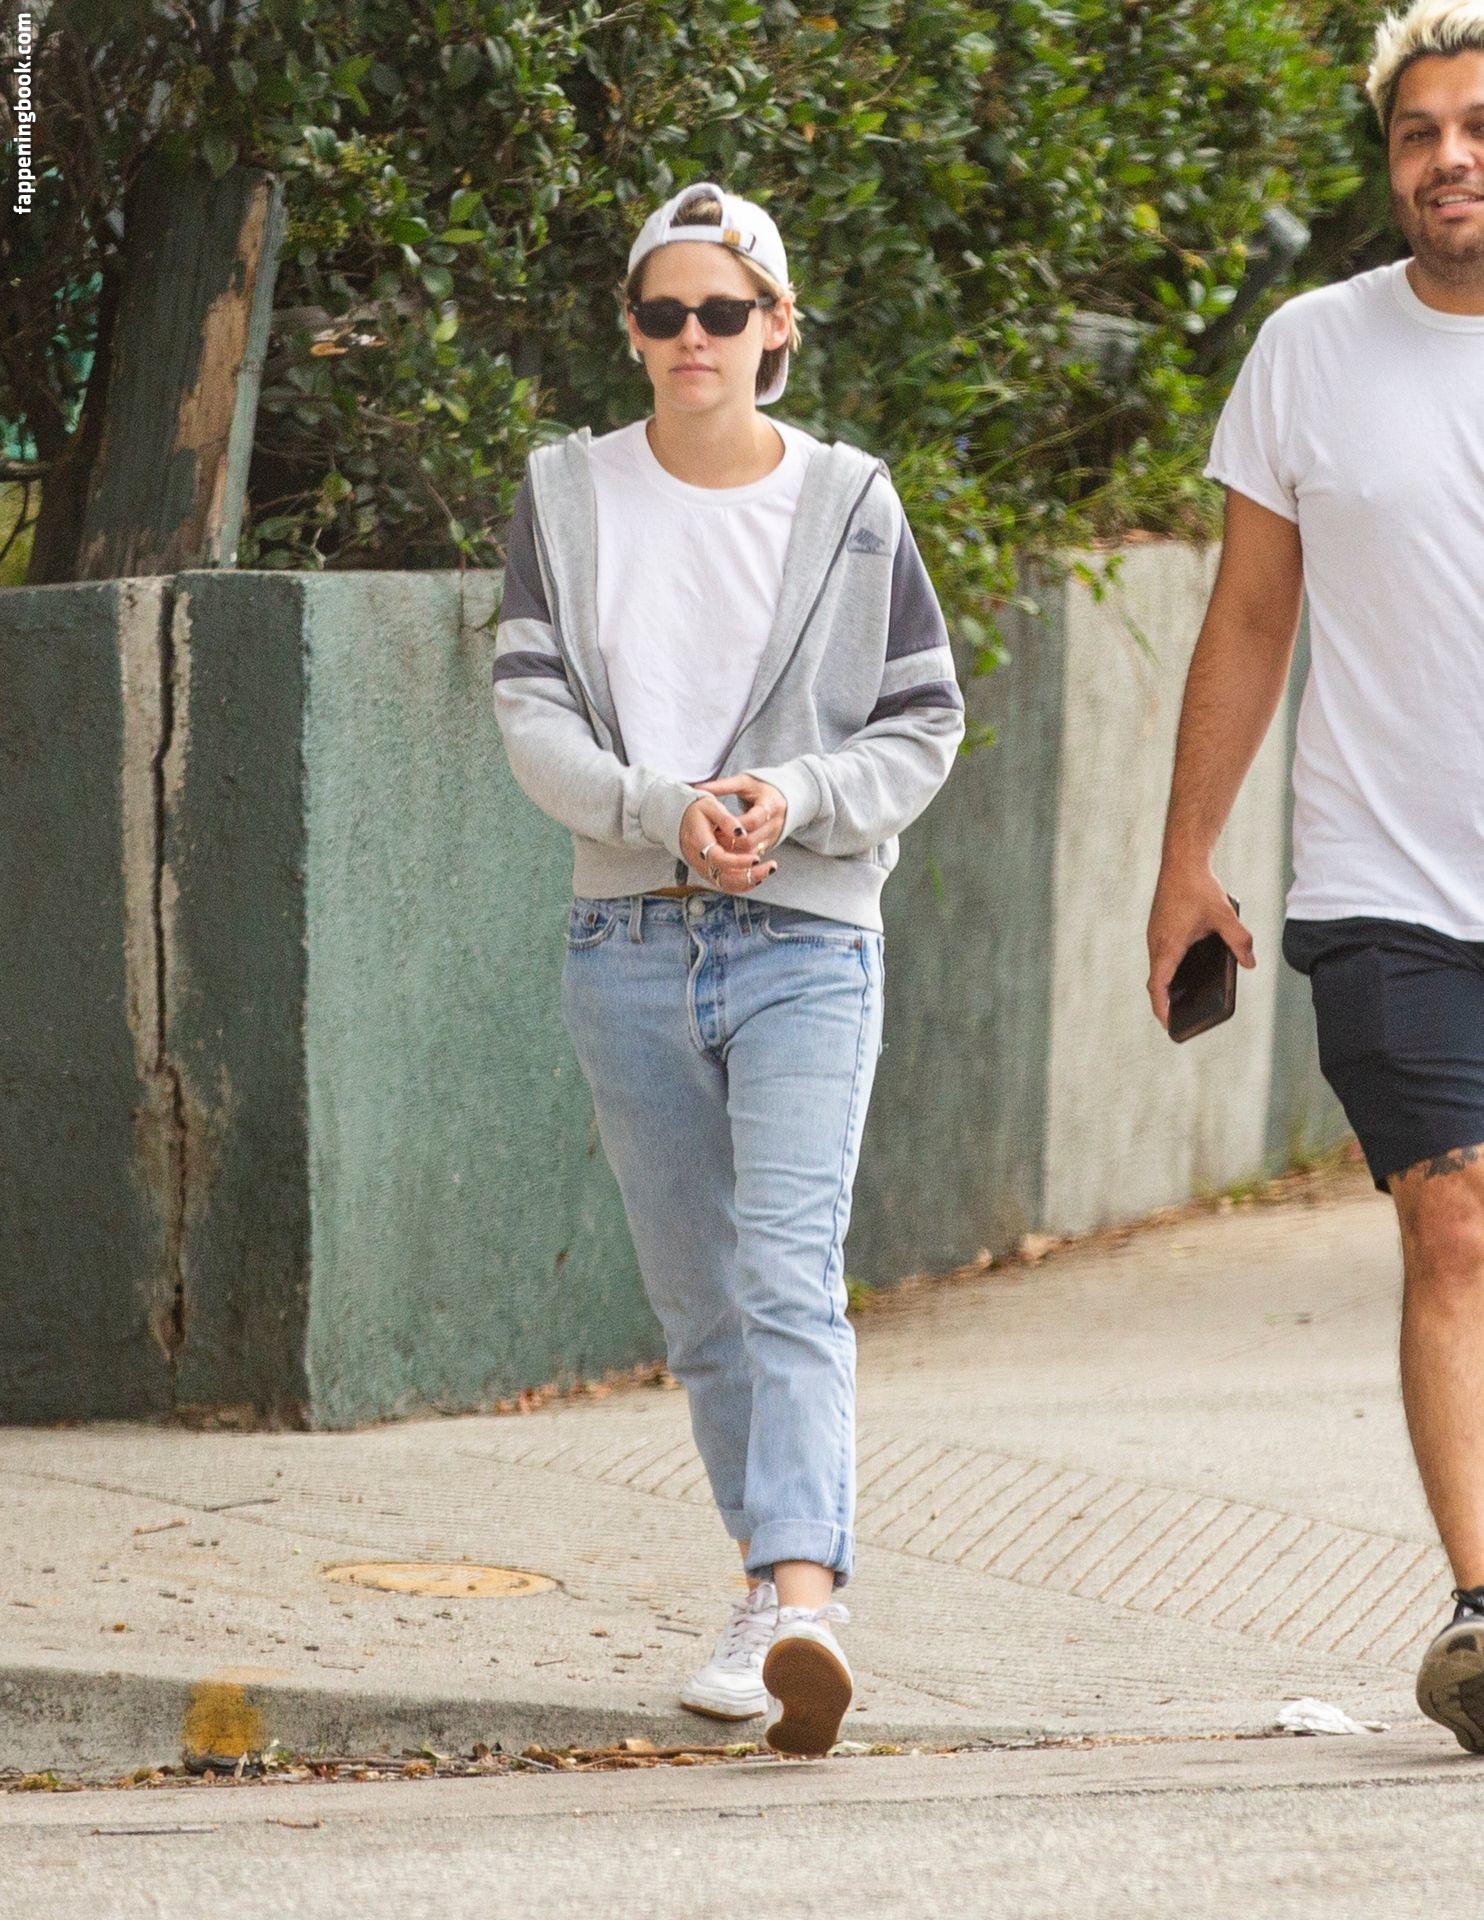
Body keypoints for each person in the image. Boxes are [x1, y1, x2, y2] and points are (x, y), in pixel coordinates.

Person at [491, 182, 965, 1755]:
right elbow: (531, 714)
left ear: (776, 328)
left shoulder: (850, 501)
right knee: (701, 1305)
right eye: (663, 312)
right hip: (626, 939)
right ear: (632, 330)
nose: (691, 337)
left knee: (787, 1274)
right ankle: (766, 1595)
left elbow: (924, 721)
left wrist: (799, 795)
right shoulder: (566, 493)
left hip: (809, 940)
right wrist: (661, 811)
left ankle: (804, 1598)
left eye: (722, 311)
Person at [1145, 0, 1484, 1754]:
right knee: (1456, 1224)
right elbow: (1252, 616)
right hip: (1385, 884)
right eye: (1419, 132)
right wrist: (1184, 857)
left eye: (1477, 127)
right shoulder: (1309, 351)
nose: (1450, 157)